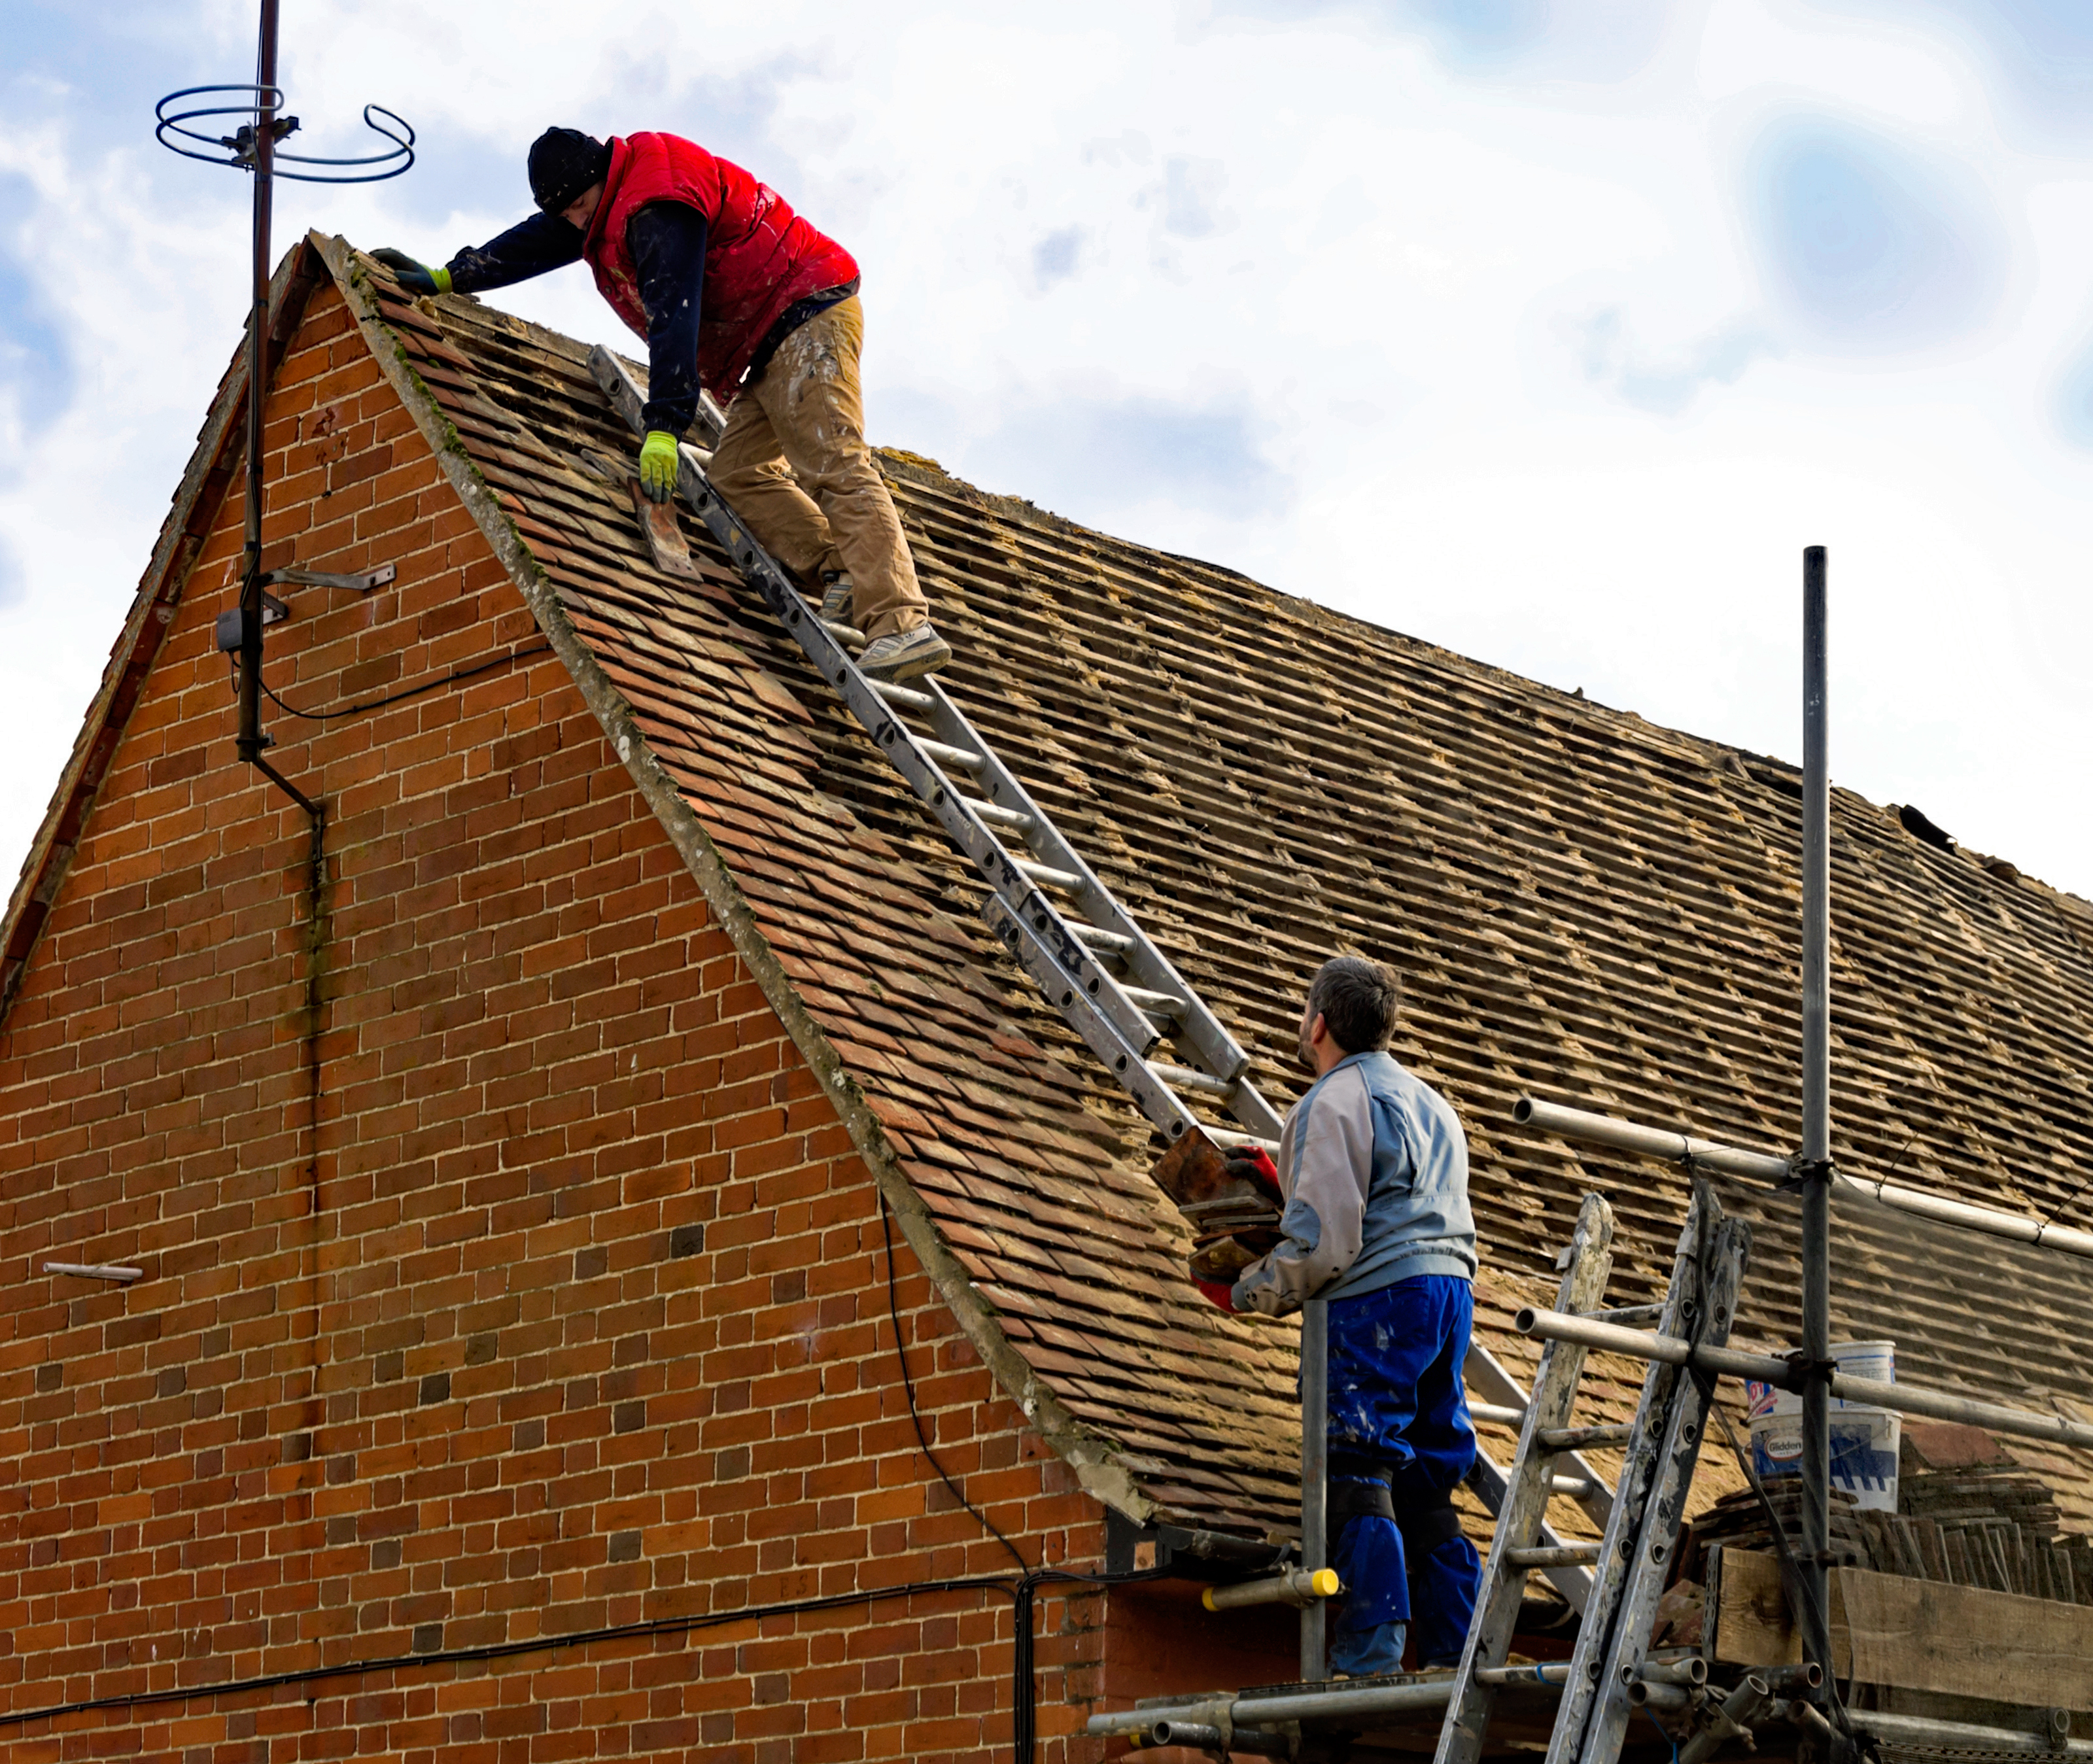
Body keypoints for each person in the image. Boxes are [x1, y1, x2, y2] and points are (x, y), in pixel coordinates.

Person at [375, 128, 950, 684]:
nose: (576, 221)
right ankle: (837, 567)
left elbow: (673, 313)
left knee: (834, 463)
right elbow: (541, 240)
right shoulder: (608, 195)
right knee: (736, 476)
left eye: (578, 207)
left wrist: (664, 427)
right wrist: (452, 275)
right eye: (568, 214)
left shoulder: (655, 204)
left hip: (806, 314)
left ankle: (902, 622)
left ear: (599, 176)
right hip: (770, 333)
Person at [1198, 955, 1482, 1676]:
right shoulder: (1433, 1102)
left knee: (1357, 1463)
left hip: (1377, 1300)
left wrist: (1247, 1290)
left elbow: (1325, 1246)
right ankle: (1458, 1647)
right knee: (1424, 1475)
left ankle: (1370, 1650)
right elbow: (1392, 1196)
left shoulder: (1330, 1102)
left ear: (1319, 1021)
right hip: (1446, 1296)